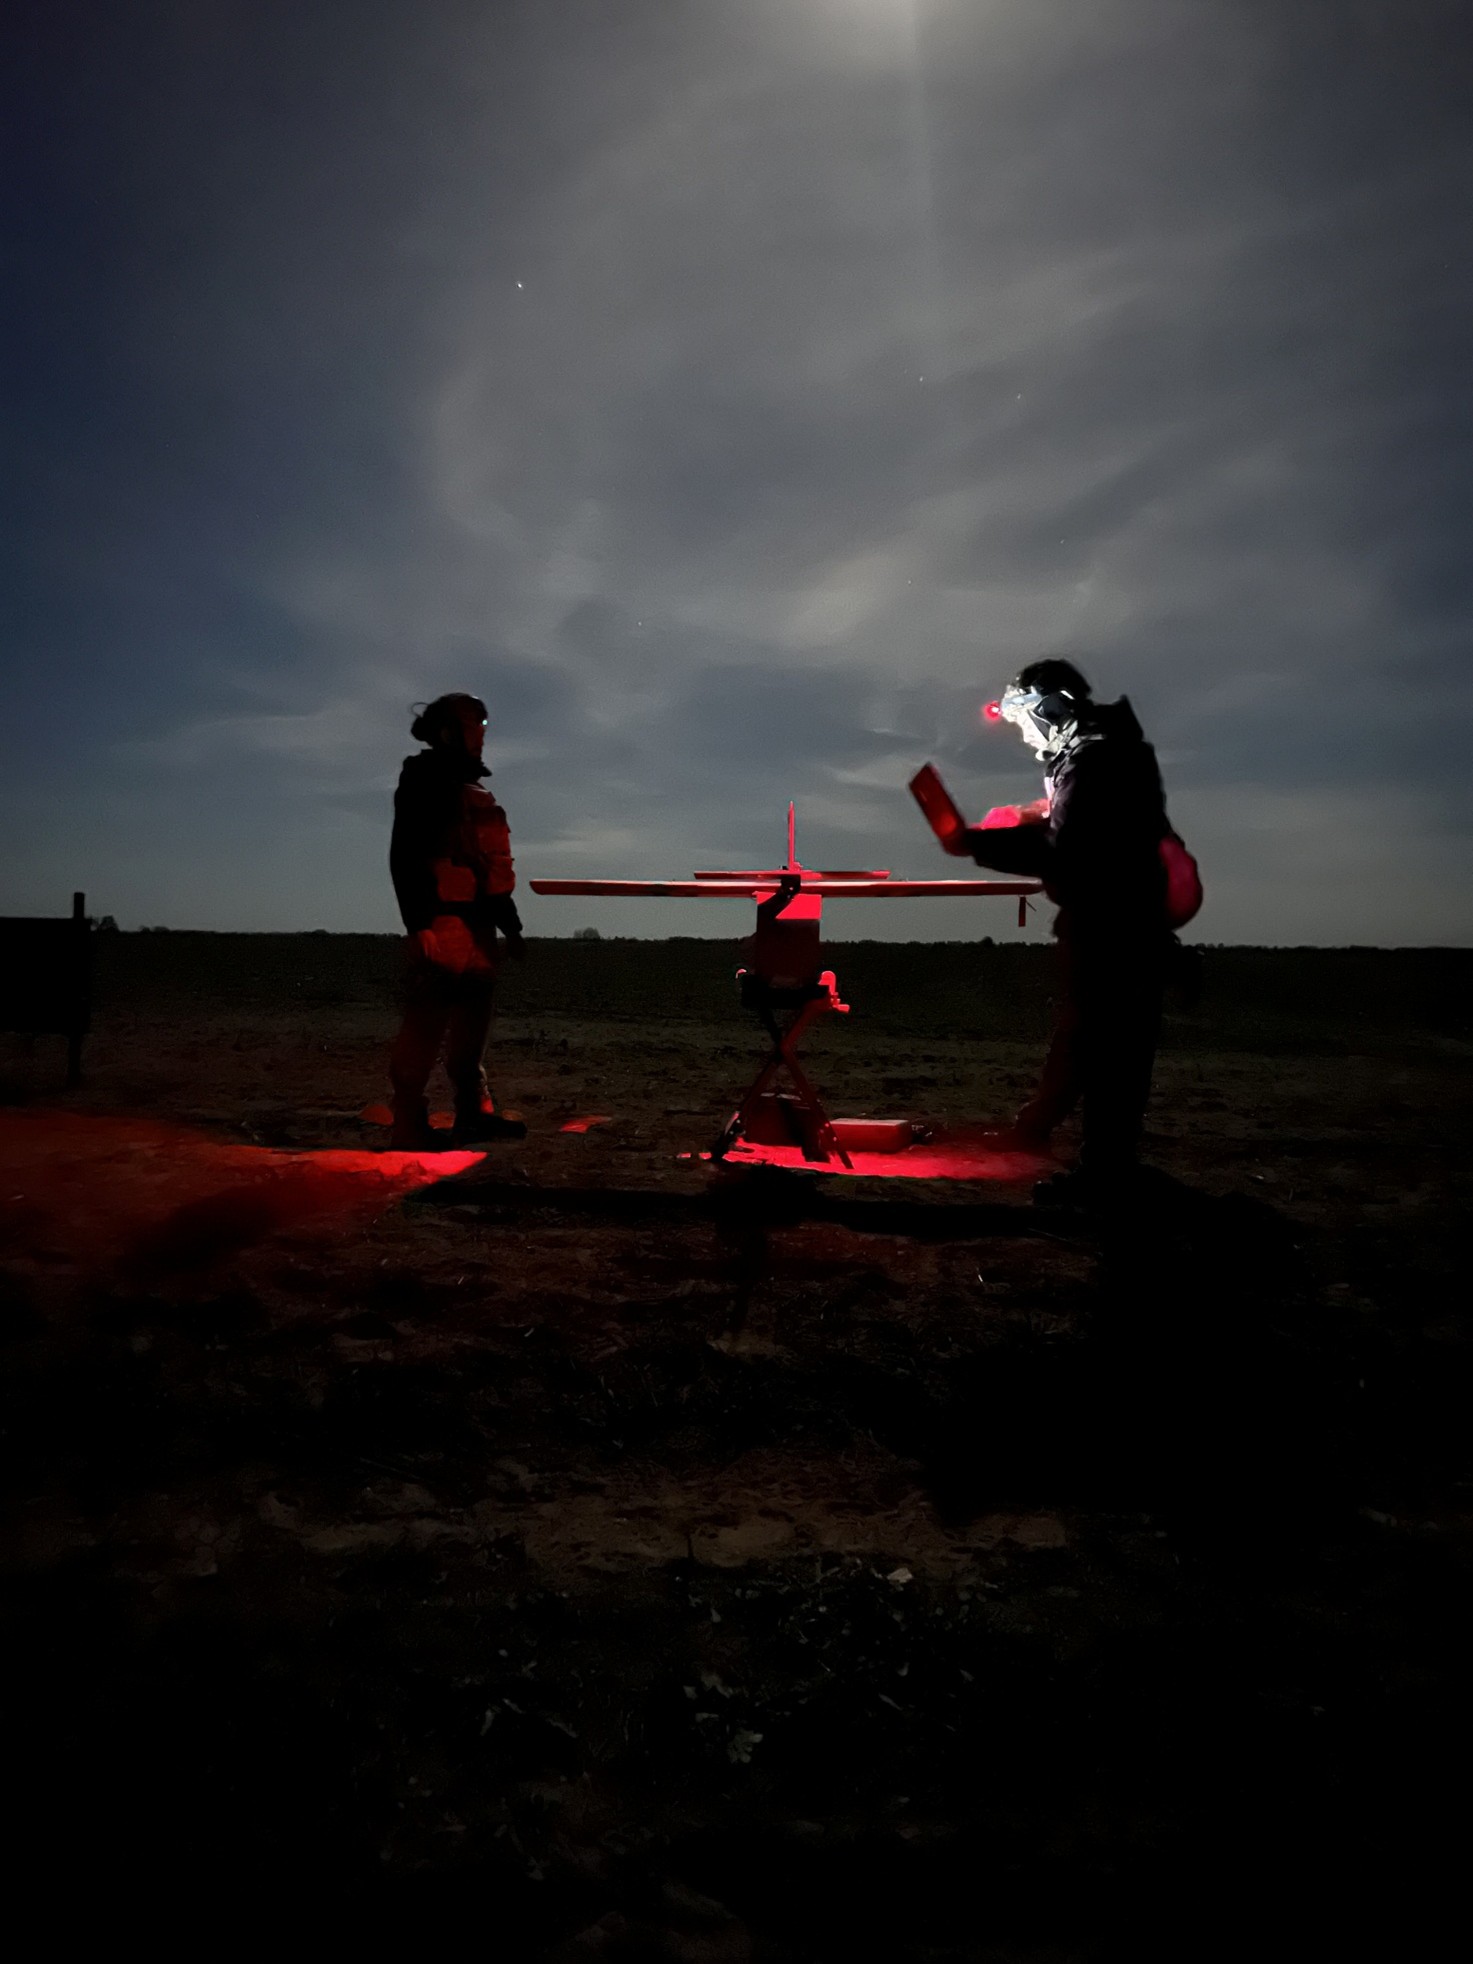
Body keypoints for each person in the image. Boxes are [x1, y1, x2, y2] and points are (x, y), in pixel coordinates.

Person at [939, 659, 1198, 1204]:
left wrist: (977, 844)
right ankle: (1048, 1139)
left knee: (1108, 1047)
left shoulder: (1095, 758)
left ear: (1051, 706)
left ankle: (1104, 1176)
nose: (1025, 733)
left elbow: (1071, 852)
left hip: (1112, 926)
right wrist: (1029, 816)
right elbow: (1085, 825)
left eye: (1025, 718)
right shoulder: (1107, 752)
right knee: (1089, 1038)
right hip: (1124, 922)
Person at [387, 692, 527, 1149]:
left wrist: (511, 927)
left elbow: (490, 870)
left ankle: (474, 1114)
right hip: (443, 924)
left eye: (482, 727)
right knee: (426, 1024)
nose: (481, 735)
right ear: (449, 731)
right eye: (473, 726)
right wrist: (419, 924)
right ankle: (408, 1121)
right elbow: (405, 857)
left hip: (478, 928)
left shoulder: (470, 789)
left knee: (472, 1027)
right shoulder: (424, 783)